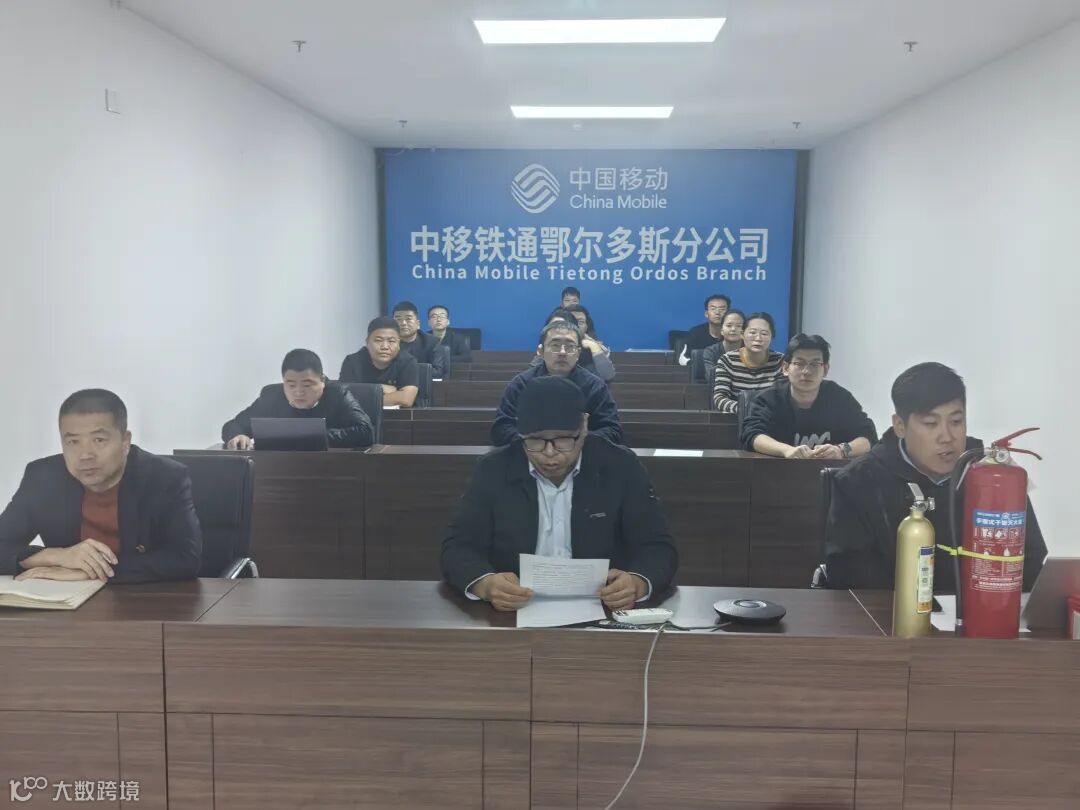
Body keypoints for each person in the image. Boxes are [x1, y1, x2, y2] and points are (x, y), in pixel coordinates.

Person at [442, 376, 678, 611]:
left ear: (584, 426)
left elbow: (657, 547)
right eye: (535, 440)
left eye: (563, 440)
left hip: (603, 608)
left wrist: (637, 582)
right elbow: (458, 547)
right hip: (513, 610)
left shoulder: (620, 466)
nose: (549, 453)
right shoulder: (493, 469)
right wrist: (485, 584)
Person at [824, 362, 1047, 593]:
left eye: (956, 421)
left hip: (985, 610)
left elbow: (1030, 559)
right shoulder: (858, 481)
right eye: (931, 424)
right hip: (892, 613)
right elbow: (850, 576)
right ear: (900, 425)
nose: (947, 437)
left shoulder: (995, 475)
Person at [0, 389, 202, 583]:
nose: (85, 455)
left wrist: (93, 571)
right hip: (67, 600)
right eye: (73, 442)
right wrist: (56, 556)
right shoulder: (43, 477)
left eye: (99, 440)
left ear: (125, 441)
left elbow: (185, 559)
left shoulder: (164, 477)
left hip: (145, 599)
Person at [740, 334, 877, 459]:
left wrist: (841, 450)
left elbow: (868, 435)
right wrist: (786, 450)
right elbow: (752, 435)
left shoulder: (839, 397)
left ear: (825, 369)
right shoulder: (770, 398)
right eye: (799, 364)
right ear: (786, 368)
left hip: (829, 474)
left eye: (815, 364)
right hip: (779, 473)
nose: (806, 371)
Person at [492, 320, 622, 447]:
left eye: (570, 346)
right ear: (541, 352)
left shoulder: (594, 387)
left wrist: (573, 443)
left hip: (583, 456)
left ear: (578, 353)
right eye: (555, 345)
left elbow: (612, 430)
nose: (562, 352)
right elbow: (501, 429)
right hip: (529, 455)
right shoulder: (521, 385)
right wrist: (536, 443)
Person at [222, 349, 374, 450]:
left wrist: (310, 436)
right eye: (291, 385)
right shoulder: (271, 396)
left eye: (307, 385)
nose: (299, 392)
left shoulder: (337, 394)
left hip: (330, 468)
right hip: (280, 469)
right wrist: (237, 436)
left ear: (322, 380)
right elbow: (232, 425)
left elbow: (365, 431)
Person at [339, 317, 421, 407]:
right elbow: (343, 396)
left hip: (399, 415)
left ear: (398, 344)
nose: (385, 346)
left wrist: (362, 395)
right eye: (378, 340)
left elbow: (406, 399)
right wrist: (380, 388)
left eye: (391, 341)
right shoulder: (353, 361)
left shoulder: (408, 362)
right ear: (367, 342)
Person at [712, 311, 784, 412]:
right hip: (736, 418)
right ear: (742, 334)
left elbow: (784, 399)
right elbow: (719, 398)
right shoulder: (727, 360)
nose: (758, 338)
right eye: (752, 332)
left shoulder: (780, 361)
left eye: (764, 334)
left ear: (772, 337)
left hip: (771, 419)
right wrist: (745, 409)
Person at [533, 307, 616, 382]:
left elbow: (607, 376)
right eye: (555, 325)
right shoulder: (543, 355)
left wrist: (594, 347)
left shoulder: (588, 373)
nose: (562, 352)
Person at [391, 301, 448, 378]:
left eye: (408, 319)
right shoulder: (387, 343)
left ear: (418, 324)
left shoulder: (432, 342)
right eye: (398, 319)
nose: (403, 323)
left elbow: (437, 372)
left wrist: (406, 368)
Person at [678, 294, 730, 364]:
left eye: (722, 309)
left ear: (729, 314)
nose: (717, 312)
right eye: (713, 309)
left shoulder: (734, 334)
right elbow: (684, 360)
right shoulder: (695, 333)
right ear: (706, 313)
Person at [702, 309, 746, 383]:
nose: (733, 329)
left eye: (738, 326)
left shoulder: (750, 351)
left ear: (744, 331)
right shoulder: (711, 352)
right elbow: (711, 377)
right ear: (721, 330)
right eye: (729, 325)